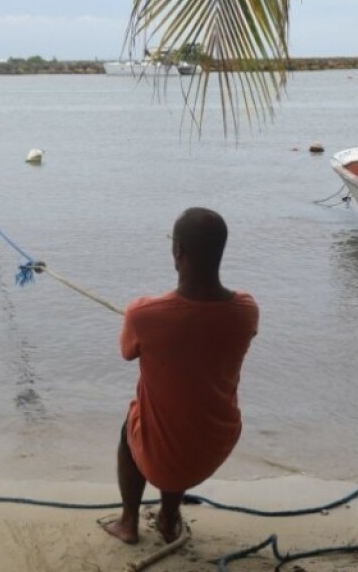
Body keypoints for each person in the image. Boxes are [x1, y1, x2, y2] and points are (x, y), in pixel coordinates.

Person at [101, 207, 259, 545]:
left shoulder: (143, 313)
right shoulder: (247, 310)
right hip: (215, 445)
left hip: (168, 456)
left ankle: (129, 522)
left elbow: (127, 351)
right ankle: (169, 517)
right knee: (179, 417)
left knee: (133, 424)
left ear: (178, 252)